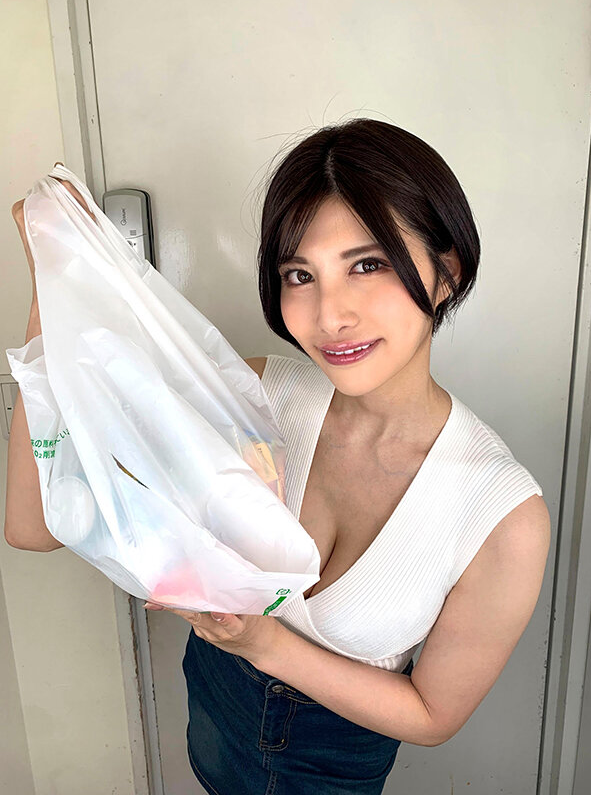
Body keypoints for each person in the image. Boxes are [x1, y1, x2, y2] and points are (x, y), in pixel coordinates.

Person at [5, 119, 551, 795]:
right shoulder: (260, 396)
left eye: (367, 265)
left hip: (330, 766)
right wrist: (55, 278)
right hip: (217, 708)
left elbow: (433, 714)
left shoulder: (502, 515)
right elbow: (34, 525)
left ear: (447, 273)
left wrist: (266, 645)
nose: (330, 315)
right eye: (300, 274)